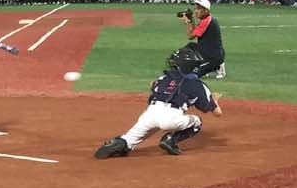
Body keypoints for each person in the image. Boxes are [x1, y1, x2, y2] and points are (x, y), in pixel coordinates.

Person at [94, 47, 225, 159]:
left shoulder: (164, 77)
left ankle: (120, 143)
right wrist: (214, 100)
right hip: (171, 117)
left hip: (150, 114)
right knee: (197, 122)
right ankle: (170, 140)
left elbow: (153, 85)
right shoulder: (198, 85)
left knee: (129, 139)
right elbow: (217, 113)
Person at [181, 0, 225, 78]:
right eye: (195, 9)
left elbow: (190, 36)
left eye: (198, 9)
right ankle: (215, 66)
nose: (196, 11)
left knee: (192, 76)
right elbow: (193, 33)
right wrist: (191, 20)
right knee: (190, 47)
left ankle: (216, 66)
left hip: (212, 57)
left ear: (206, 10)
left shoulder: (206, 21)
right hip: (208, 52)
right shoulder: (206, 19)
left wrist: (188, 22)